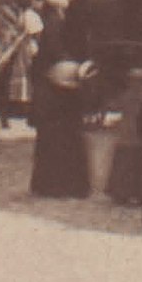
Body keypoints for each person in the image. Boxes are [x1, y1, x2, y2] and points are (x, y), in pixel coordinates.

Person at [29, 57, 94, 198]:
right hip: (61, 129)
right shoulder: (55, 92)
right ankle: (63, 188)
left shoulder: (51, 91)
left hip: (60, 129)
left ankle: (54, 187)